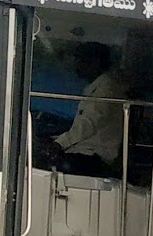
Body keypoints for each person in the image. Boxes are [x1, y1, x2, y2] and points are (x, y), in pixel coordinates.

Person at [45, 42, 130, 178]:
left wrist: (60, 143)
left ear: (95, 62)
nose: (76, 65)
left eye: (81, 60)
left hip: (96, 155)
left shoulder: (107, 88)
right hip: (86, 149)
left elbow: (89, 123)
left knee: (45, 158)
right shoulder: (97, 85)